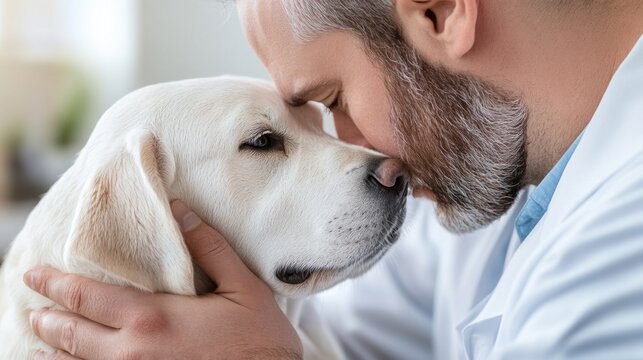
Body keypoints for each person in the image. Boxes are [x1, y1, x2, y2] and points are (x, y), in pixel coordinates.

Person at [23, 0, 643, 359]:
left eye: (336, 97)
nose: (357, 149)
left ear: (441, 10)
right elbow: (344, 335)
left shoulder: (626, 238)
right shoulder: (488, 171)